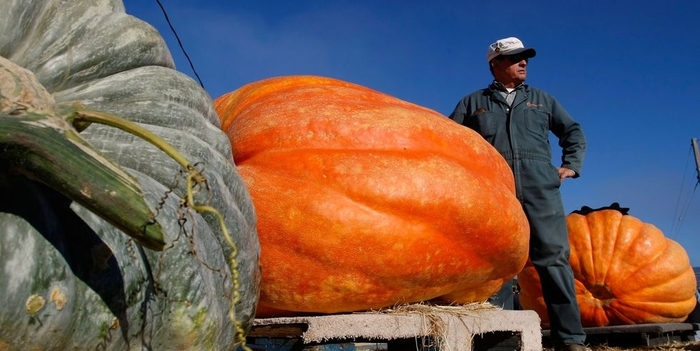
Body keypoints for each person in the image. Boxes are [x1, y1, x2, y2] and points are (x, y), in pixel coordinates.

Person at [448, 37, 587, 351]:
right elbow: (450, 140)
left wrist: (571, 166)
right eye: (514, 58)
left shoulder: (542, 99)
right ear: (495, 64)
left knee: (553, 260)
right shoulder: (473, 102)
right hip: (496, 189)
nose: (523, 63)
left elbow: (572, 131)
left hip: (541, 186)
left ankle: (571, 339)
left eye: (525, 58)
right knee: (497, 262)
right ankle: (498, 340)